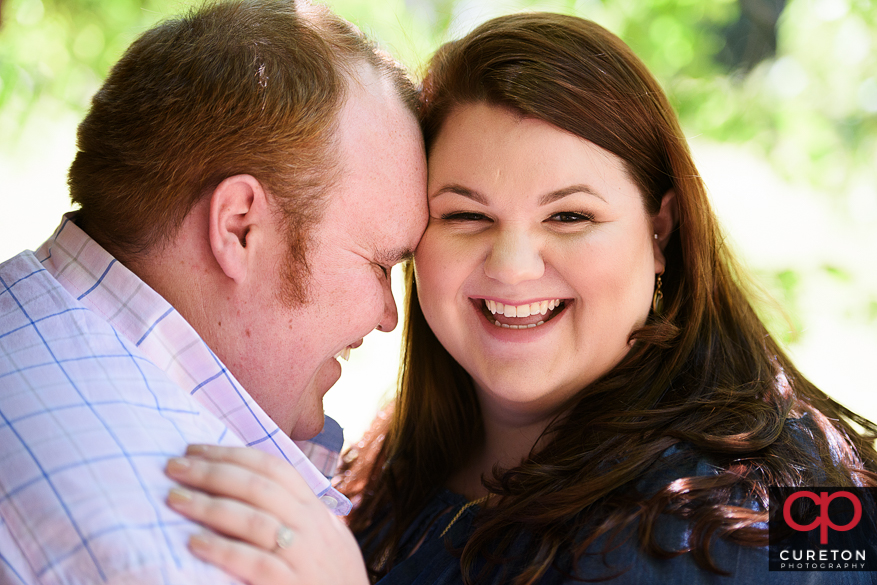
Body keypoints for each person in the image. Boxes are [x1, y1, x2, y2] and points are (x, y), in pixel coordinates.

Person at [161, 11, 877, 585]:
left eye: (569, 216)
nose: (511, 265)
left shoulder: (766, 512)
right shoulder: (386, 467)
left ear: (660, 232)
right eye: (465, 215)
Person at [0, 0, 426, 583]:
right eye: (381, 264)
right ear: (239, 228)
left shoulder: (22, 316)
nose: (388, 317)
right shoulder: (189, 538)